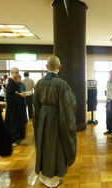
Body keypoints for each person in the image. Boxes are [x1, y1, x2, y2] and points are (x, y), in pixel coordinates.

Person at [33, 55, 77, 188]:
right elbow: (69, 106)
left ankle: (43, 176)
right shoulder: (62, 84)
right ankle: (53, 179)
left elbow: (35, 104)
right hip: (57, 119)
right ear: (59, 67)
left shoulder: (39, 83)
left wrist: (40, 118)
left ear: (47, 67)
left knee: (44, 145)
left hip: (42, 117)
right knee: (55, 147)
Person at [5, 67, 27, 147]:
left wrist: (20, 94)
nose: (18, 74)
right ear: (12, 73)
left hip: (16, 107)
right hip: (12, 108)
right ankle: (12, 139)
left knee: (17, 122)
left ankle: (17, 138)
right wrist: (20, 96)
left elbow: (15, 93)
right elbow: (9, 97)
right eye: (16, 72)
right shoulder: (11, 83)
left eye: (18, 72)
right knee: (13, 124)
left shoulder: (15, 83)